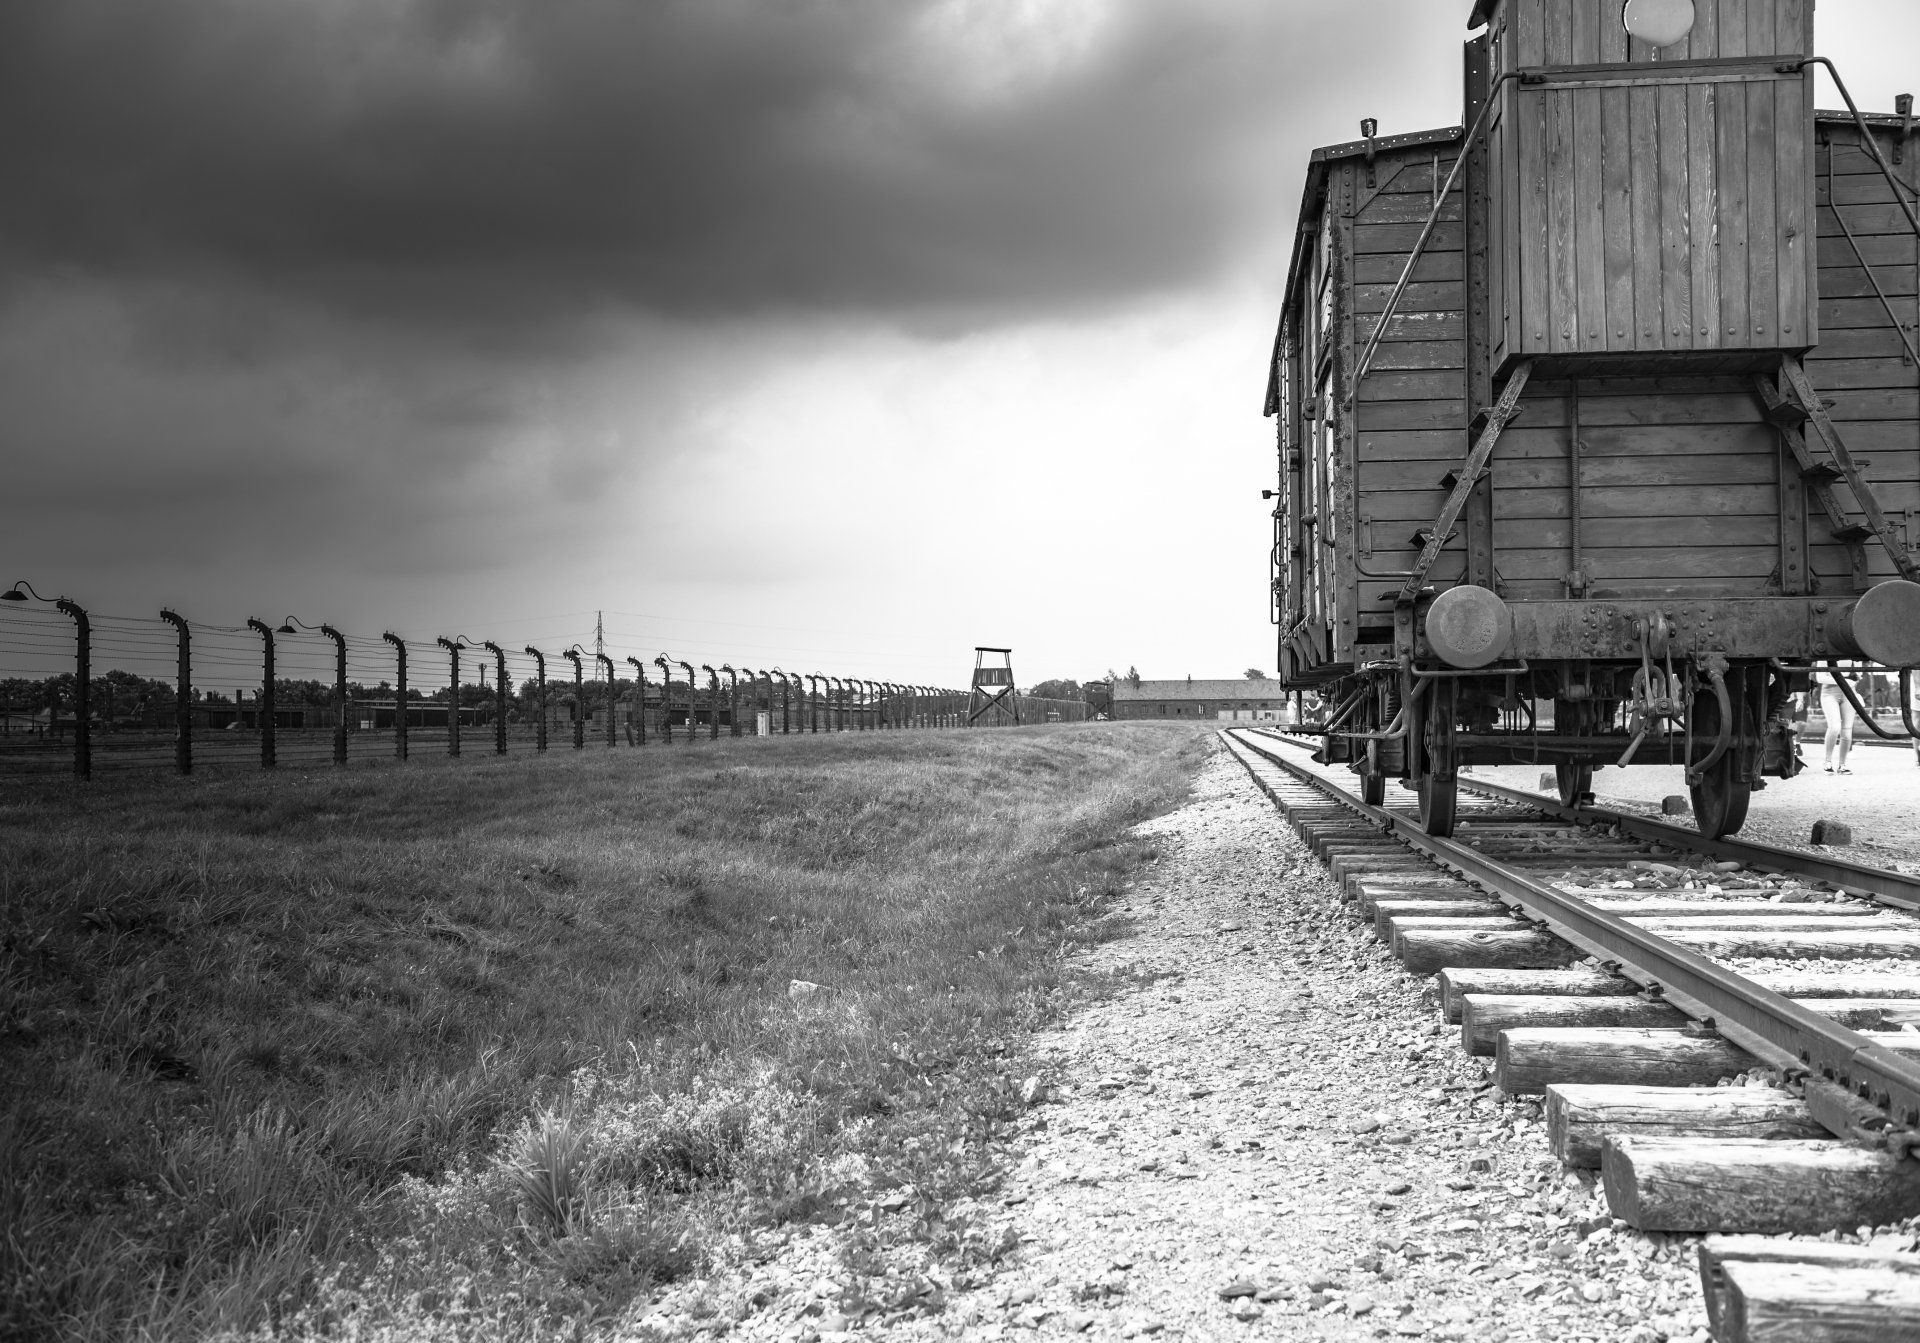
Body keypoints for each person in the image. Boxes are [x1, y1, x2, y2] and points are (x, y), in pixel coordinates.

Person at [1821, 669, 1858, 774]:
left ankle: (1842, 765)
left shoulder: (1853, 660)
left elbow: (1857, 675)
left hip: (1850, 693)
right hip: (1829, 693)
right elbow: (1820, 677)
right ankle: (1827, 762)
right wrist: (1844, 681)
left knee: (1847, 731)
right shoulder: (1824, 659)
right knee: (1834, 727)